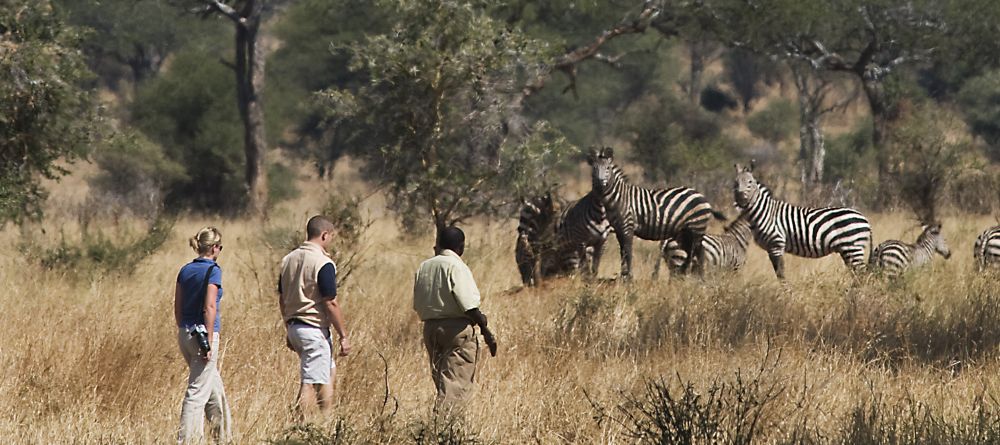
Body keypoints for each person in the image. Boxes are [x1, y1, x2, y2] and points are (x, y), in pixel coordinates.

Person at [413, 226, 498, 413]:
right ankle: (446, 430)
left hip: (430, 328)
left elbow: (417, 303)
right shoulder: (457, 266)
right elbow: (468, 305)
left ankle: (439, 427)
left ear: (439, 245)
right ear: (461, 247)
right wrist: (484, 325)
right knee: (455, 386)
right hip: (456, 330)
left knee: (442, 381)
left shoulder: (424, 267)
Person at [278, 215, 351, 419]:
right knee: (309, 382)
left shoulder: (288, 260)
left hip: (294, 327)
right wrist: (343, 335)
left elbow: (282, 299)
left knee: (328, 373)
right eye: (331, 237)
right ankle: (299, 426)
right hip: (313, 329)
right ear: (325, 235)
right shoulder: (323, 262)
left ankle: (326, 420)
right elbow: (330, 302)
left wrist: (289, 327)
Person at [175, 227, 232, 444]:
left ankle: (223, 436)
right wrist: (207, 341)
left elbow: (177, 307)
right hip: (203, 336)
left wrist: (183, 328)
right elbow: (210, 307)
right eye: (220, 247)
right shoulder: (213, 271)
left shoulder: (185, 270)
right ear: (214, 247)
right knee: (197, 393)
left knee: (214, 388)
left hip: (185, 333)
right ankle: (187, 439)